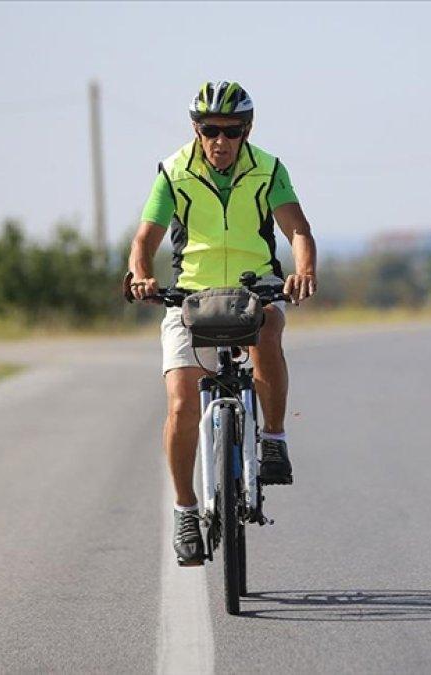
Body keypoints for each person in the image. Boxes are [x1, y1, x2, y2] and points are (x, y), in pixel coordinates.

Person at [127, 81, 317, 566]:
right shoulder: (173, 172)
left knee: (269, 331)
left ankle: (273, 439)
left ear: (246, 130)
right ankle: (186, 510)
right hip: (190, 297)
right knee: (181, 401)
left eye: (231, 131)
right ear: (196, 128)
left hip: (255, 292)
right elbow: (145, 238)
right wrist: (142, 276)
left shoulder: (269, 169)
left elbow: (296, 227)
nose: (220, 141)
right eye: (210, 130)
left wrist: (304, 271)